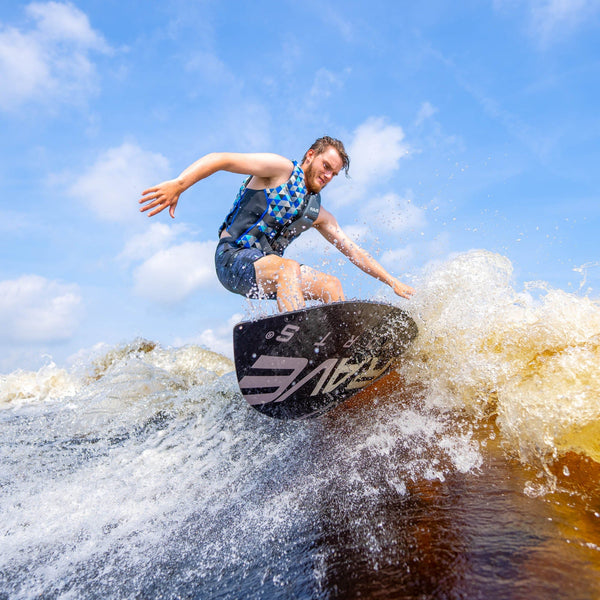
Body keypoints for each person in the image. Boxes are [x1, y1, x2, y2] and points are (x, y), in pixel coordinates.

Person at [139, 136, 414, 312]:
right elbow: (221, 159)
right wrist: (179, 184)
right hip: (232, 259)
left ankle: (338, 355)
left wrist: (392, 282)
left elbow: (353, 250)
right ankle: (300, 344)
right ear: (310, 156)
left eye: (334, 173)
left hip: (269, 273)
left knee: (331, 285)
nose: (328, 176)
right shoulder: (279, 170)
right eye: (326, 166)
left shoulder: (317, 212)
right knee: (288, 268)